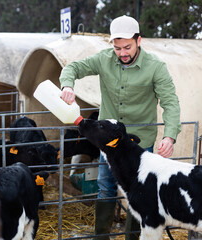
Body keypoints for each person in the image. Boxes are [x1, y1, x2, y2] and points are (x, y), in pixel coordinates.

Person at [59, 15, 181, 240]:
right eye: (117, 48)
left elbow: (171, 102)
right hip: (108, 144)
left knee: (140, 194)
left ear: (139, 40)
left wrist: (170, 136)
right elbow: (74, 67)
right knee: (105, 187)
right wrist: (67, 85)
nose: (122, 53)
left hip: (141, 142)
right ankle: (101, 237)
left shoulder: (156, 67)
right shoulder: (104, 59)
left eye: (127, 47)